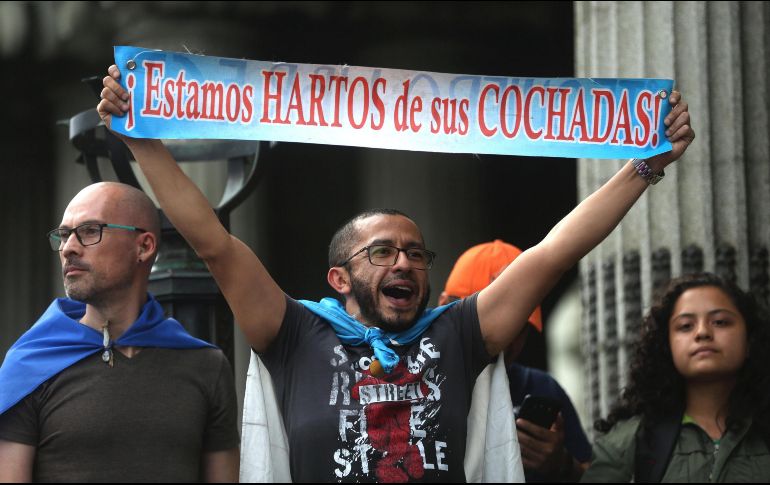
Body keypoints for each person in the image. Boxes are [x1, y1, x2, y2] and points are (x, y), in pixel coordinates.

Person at [98, 64, 694, 482]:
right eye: (381, 252)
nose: (404, 261)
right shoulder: (295, 332)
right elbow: (214, 244)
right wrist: (139, 140)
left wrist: (644, 166)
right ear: (339, 278)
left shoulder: (458, 333)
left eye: (415, 252)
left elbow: (553, 252)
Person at [0, 182, 240, 482]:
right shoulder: (30, 366)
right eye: (63, 235)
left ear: (144, 246)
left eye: (89, 230)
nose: (68, 248)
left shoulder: (206, 366)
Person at [581, 273, 770, 482]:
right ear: (666, 346)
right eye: (686, 326)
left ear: (750, 340)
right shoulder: (631, 442)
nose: (702, 333)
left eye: (720, 322)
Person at [438, 240, 591, 482]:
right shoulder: (417, 383)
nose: (503, 339)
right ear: (444, 306)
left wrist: (561, 464)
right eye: (485, 321)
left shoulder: (541, 387)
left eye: (517, 324)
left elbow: (594, 473)